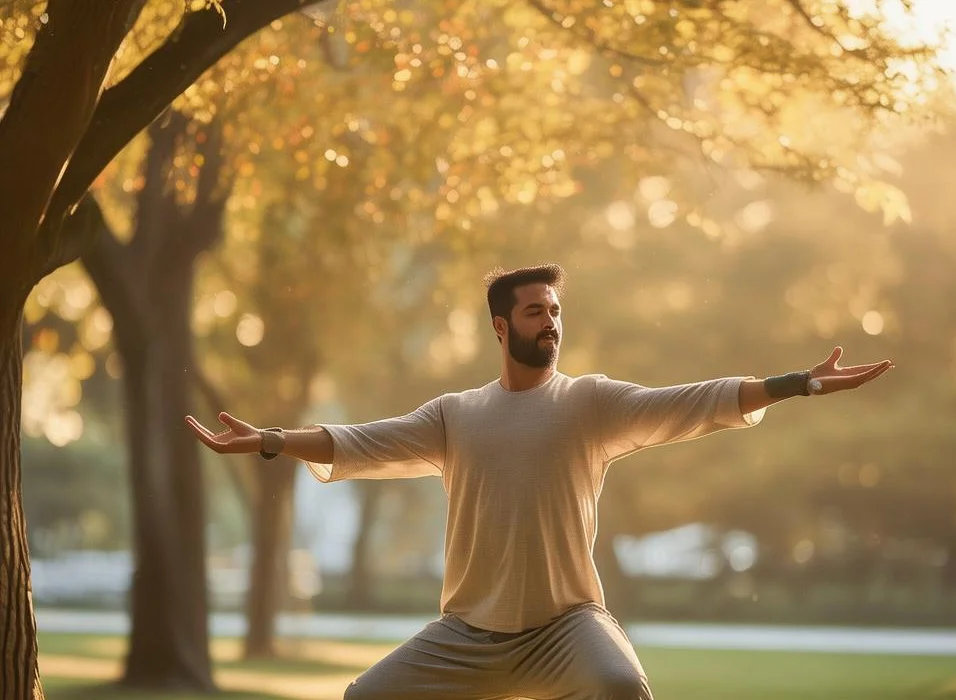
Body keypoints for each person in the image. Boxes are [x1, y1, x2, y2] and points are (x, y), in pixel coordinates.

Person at [186, 263, 893, 700]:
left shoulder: (589, 403)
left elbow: (691, 400)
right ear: (502, 327)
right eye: (535, 312)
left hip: (566, 626)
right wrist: (271, 439)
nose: (550, 323)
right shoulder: (456, 415)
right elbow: (360, 441)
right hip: (468, 635)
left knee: (620, 686)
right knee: (367, 697)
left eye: (555, 311)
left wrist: (794, 383)